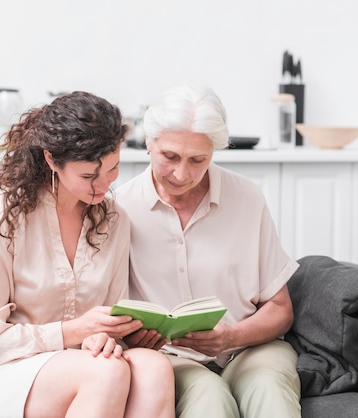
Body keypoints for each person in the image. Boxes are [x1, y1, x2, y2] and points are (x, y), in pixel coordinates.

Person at [0, 91, 175, 418]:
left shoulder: (114, 221)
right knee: (105, 372)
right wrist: (76, 331)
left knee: (154, 368)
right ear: (51, 161)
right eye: (88, 176)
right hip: (4, 369)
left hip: (86, 361)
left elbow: (109, 318)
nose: (103, 187)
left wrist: (108, 337)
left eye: (113, 169)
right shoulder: (1, 222)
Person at [116, 84, 301, 418]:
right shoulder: (119, 209)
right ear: (148, 142)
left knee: (270, 390)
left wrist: (231, 336)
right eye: (170, 156)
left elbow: (280, 308)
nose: (181, 174)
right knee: (209, 399)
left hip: (249, 348)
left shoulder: (247, 198)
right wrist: (134, 337)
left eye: (198, 160)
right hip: (169, 357)